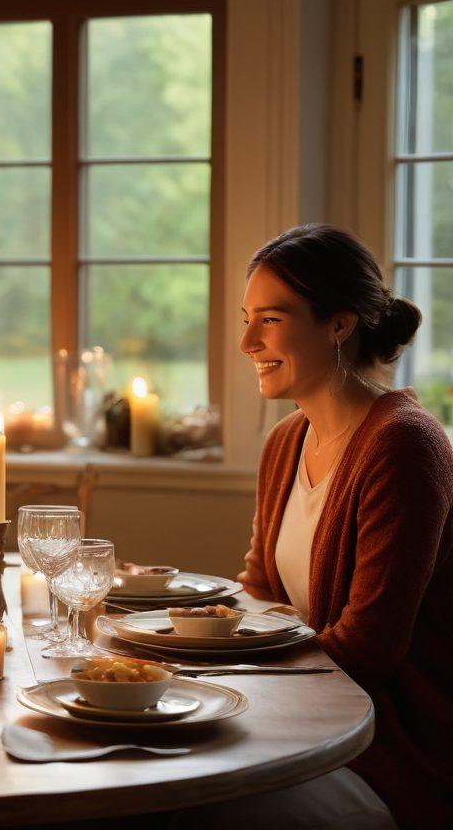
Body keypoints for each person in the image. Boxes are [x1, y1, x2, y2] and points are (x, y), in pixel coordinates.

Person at [229, 224, 451, 828]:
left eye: (270, 319)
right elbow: (259, 593)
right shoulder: (285, 440)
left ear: (338, 324)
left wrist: (221, 672)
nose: (247, 340)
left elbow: (367, 652)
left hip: (383, 746)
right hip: (301, 719)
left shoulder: (404, 445)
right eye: (247, 317)